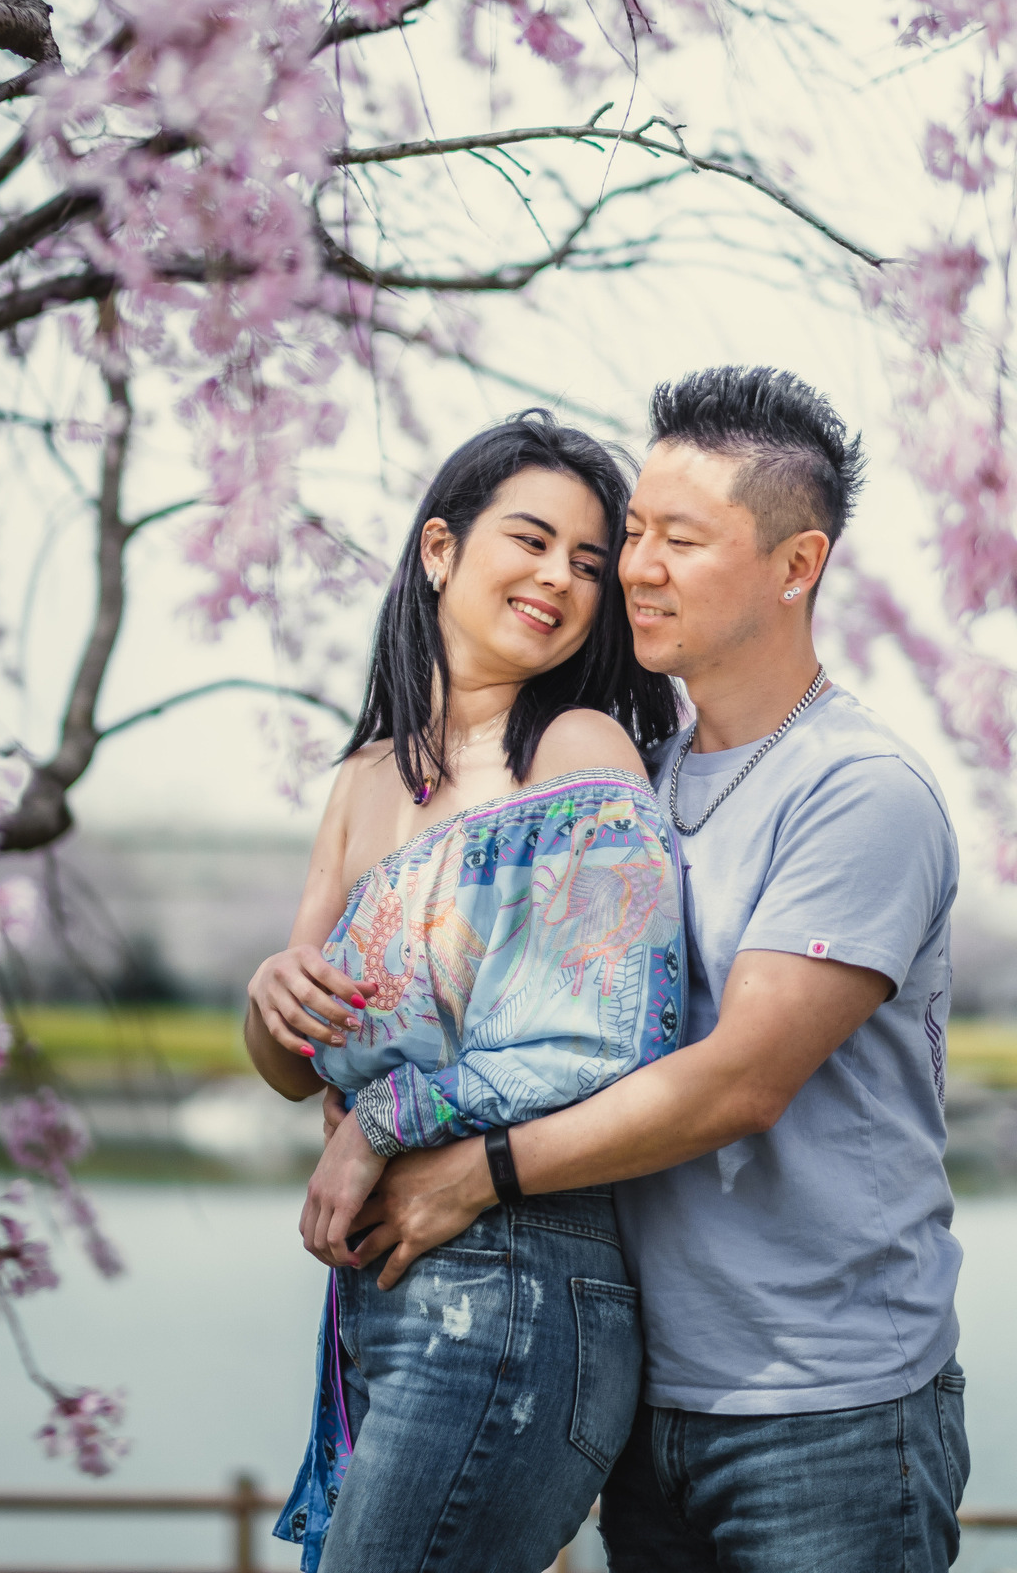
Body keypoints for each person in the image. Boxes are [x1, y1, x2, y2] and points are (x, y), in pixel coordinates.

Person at [308, 365, 968, 1573]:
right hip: (652, 1402)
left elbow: (735, 1084)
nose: (633, 568)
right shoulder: (634, 776)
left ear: (792, 566)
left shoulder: (854, 792)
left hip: (823, 1409)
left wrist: (473, 1175)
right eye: (636, 537)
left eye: (679, 538)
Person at [245, 410, 688, 1573]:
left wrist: (382, 1123)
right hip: (384, 1305)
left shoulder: (579, 749)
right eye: (531, 541)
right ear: (439, 549)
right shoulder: (360, 780)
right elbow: (297, 1064)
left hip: (518, 1287)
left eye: (587, 565)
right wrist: (267, 993)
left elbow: (616, 1040)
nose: (559, 579)